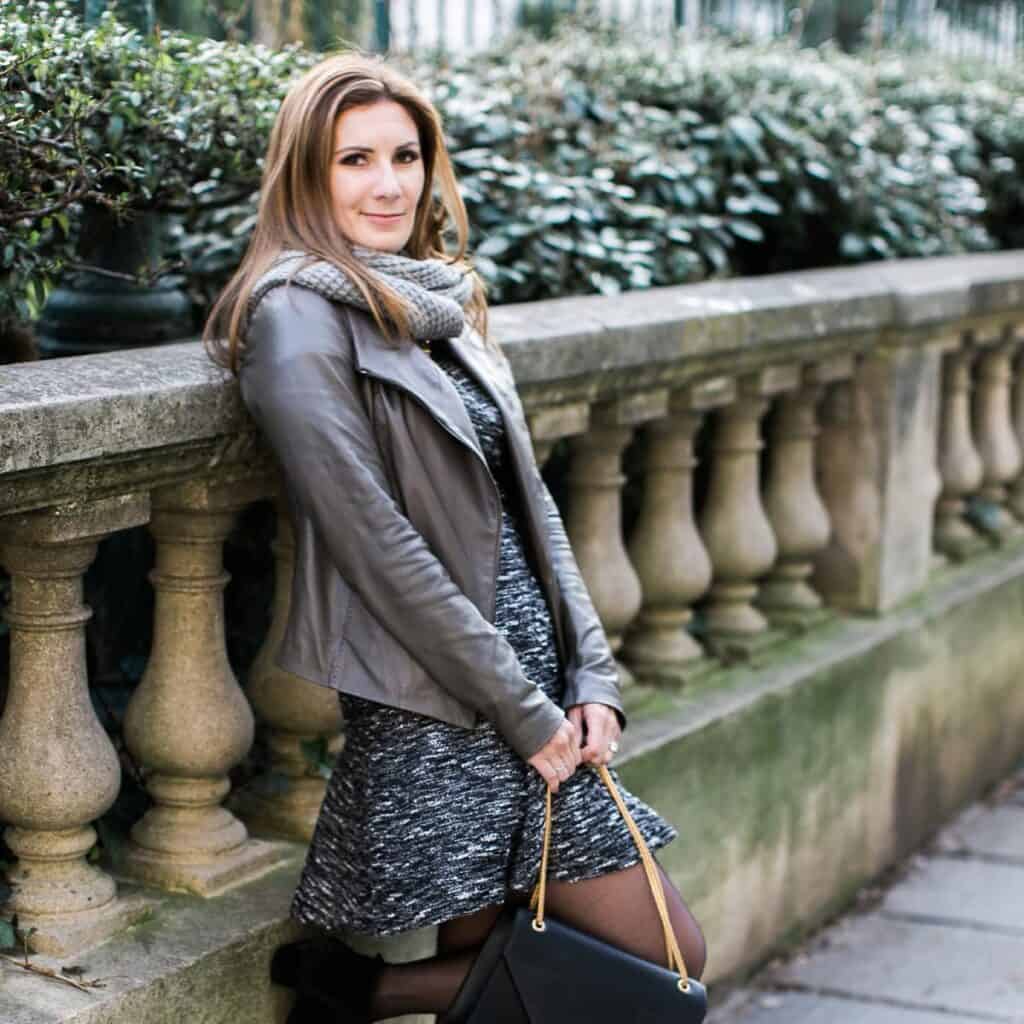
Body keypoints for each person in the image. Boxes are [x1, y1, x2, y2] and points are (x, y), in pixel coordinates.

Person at [204, 52, 706, 1023]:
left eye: (405, 154)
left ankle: (349, 992)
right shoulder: (294, 318)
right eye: (353, 159)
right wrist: (518, 707)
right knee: (669, 957)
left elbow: (531, 507)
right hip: (439, 697)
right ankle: (354, 988)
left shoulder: (435, 301)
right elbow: (374, 545)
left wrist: (590, 673)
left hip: (533, 680)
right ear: (304, 172)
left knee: (501, 980)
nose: (387, 183)